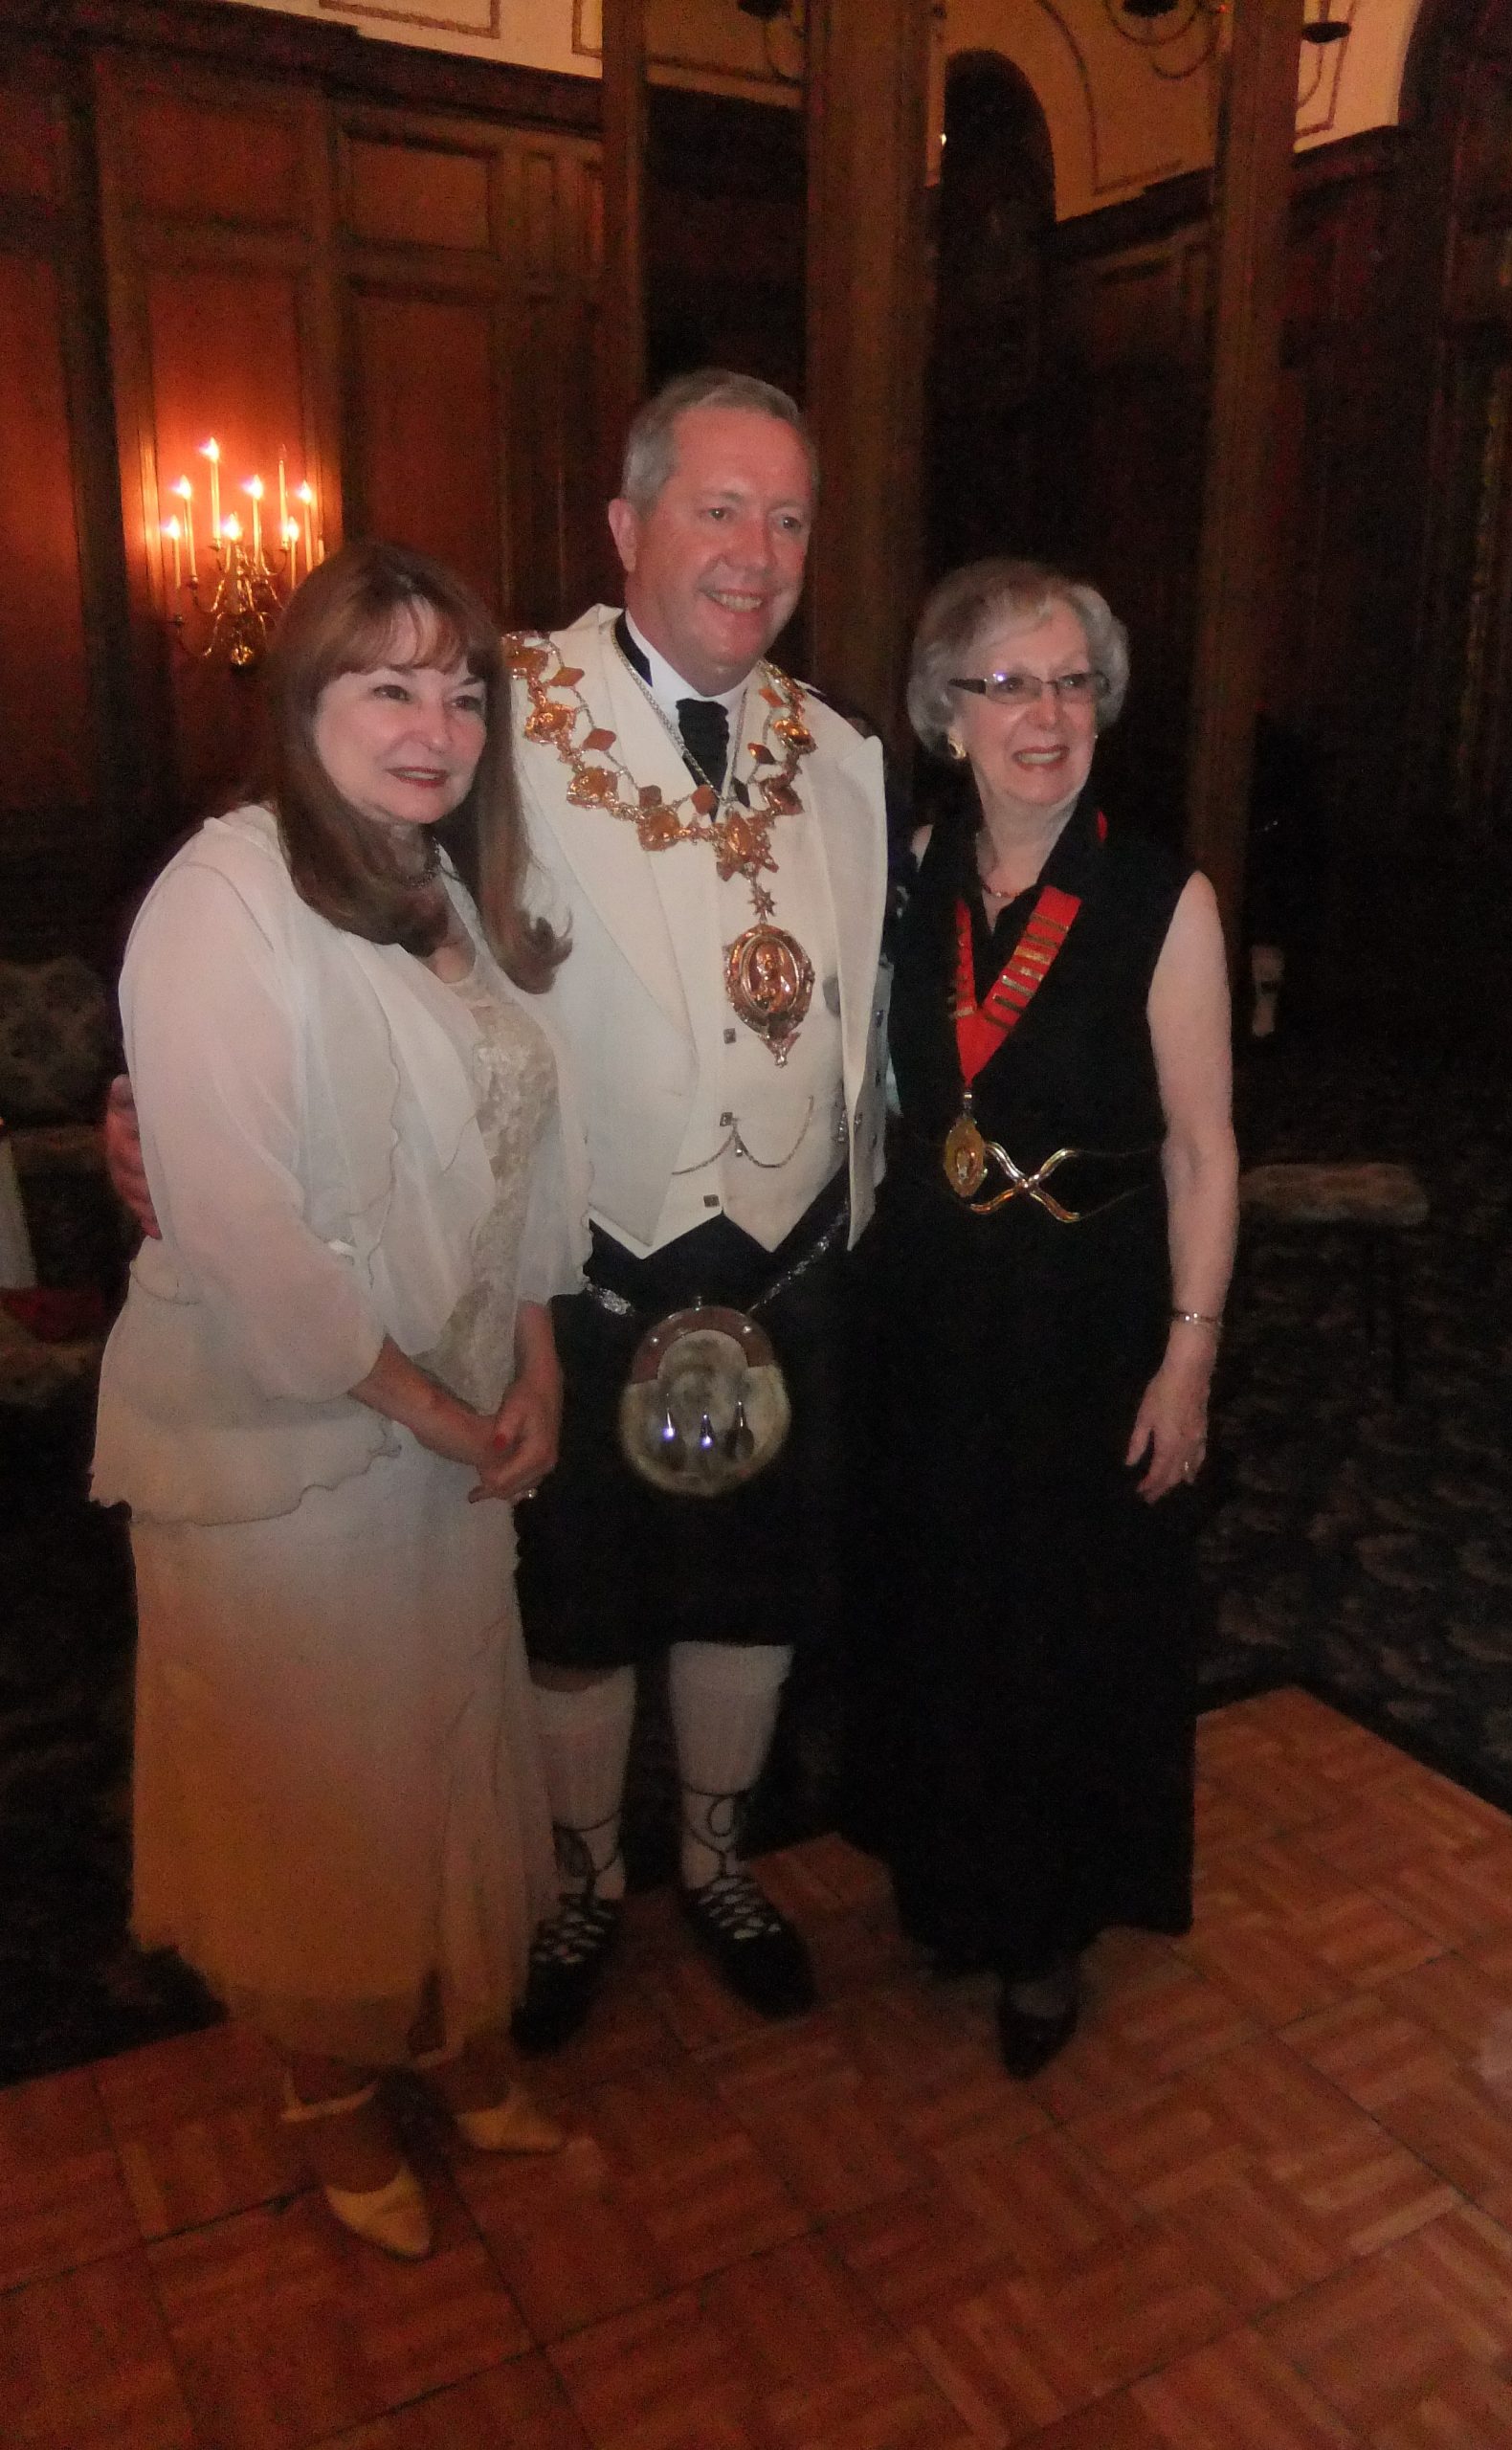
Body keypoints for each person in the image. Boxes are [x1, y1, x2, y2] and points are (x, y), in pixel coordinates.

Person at [93, 541, 589, 2258]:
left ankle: (447, 2036)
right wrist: (444, 1415)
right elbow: (245, 1233)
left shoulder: (442, 886)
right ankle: (326, 2085)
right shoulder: (222, 898)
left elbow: (530, 1148)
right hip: (291, 1446)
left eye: (460, 691)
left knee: (439, 1748)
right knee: (320, 1778)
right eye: (387, 686)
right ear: (302, 703)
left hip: (453, 1424)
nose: (434, 726)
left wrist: (535, 1362)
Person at [502, 368, 888, 2048]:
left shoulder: (846, 754)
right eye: (719, 508)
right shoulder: (503, 715)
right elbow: (355, 925)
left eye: (788, 518)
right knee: (575, 1611)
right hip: (583, 1261)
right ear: (626, 524)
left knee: (749, 1591)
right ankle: (587, 1882)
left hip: (788, 1263)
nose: (757, 551)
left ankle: (719, 1863)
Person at [846, 558, 1237, 2079]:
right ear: (944, 712)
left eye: (1072, 682)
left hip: (1087, 1315)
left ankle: (1047, 1925)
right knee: (943, 1605)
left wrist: (1188, 1356)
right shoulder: (908, 877)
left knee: (1061, 1626)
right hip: (930, 1309)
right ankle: (953, 1880)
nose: (1046, 714)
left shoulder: (1158, 899)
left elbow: (1203, 1150)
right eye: (1008, 683)